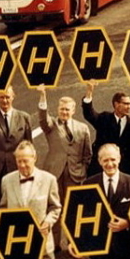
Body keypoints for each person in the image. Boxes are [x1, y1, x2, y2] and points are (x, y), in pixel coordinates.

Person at [36, 86, 92, 248]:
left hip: (75, 175)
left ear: (73, 111)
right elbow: (42, 118)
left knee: (73, 209)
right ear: (57, 109)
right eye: (62, 109)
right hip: (54, 174)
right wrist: (42, 95)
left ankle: (73, 242)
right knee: (54, 209)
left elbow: (87, 154)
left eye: (67, 109)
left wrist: (82, 170)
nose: (64, 112)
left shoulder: (83, 128)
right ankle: (54, 245)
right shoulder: (51, 125)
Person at [82, 84, 130, 178]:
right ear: (116, 104)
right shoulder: (104, 118)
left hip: (124, 172)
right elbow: (89, 114)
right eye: (125, 104)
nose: (129, 107)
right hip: (101, 170)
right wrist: (89, 92)